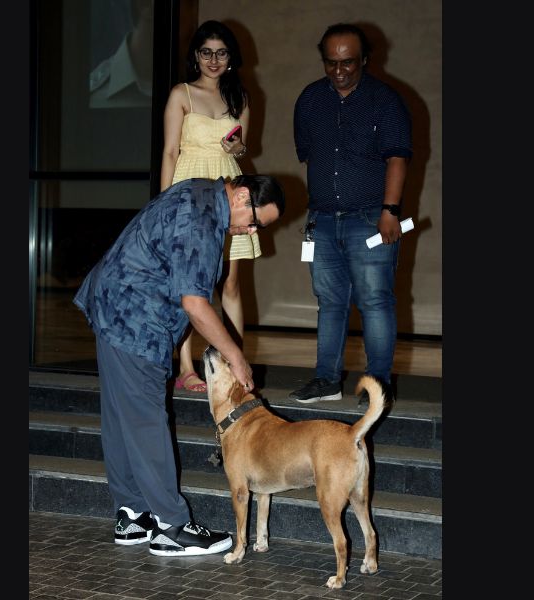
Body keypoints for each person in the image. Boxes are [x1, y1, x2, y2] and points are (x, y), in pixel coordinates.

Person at [73, 174, 285, 555]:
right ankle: (171, 527)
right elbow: (195, 305)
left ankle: (132, 516)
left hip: (112, 304)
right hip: (136, 319)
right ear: (241, 196)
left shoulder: (198, 193)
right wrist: (236, 357)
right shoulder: (204, 219)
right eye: (256, 222)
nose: (252, 231)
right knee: (146, 419)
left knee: (121, 417)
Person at [289, 23, 412, 404]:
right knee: (329, 302)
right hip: (322, 220)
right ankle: (327, 380)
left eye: (348, 62)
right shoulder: (310, 100)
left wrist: (390, 211)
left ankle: (377, 385)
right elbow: (309, 155)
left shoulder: (385, 100)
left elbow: (398, 158)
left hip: (371, 219)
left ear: (365, 60)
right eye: (331, 62)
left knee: (375, 301)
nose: (339, 70)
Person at [160, 20, 257, 394]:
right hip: (189, 187)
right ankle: (186, 367)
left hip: (229, 188)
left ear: (231, 57)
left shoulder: (239, 97)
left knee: (231, 281)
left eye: (221, 53)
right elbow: (170, 151)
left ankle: (234, 365)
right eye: (206, 52)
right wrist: (164, 204)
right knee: (191, 281)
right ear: (196, 56)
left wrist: (239, 148)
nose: (214, 60)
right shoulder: (181, 94)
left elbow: (242, 148)